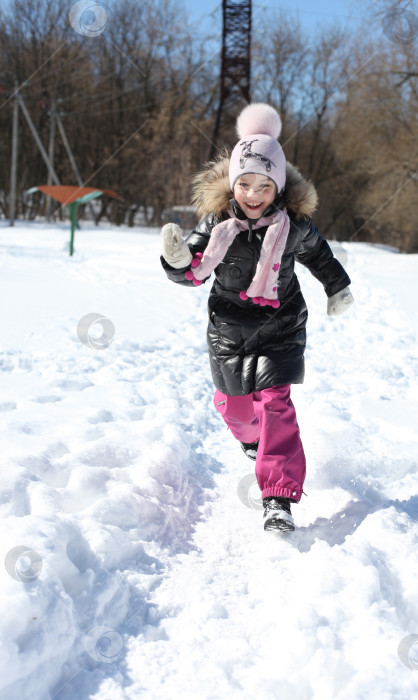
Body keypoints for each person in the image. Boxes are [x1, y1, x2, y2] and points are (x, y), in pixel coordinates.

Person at [160, 103, 353, 533]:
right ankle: (252, 442)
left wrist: (337, 287)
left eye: (263, 185)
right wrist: (176, 260)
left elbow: (320, 256)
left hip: (280, 325)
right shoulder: (217, 223)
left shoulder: (294, 225)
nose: (252, 194)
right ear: (232, 185)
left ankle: (278, 497)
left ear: (278, 187)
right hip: (229, 329)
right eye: (243, 184)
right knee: (234, 408)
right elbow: (192, 268)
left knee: (276, 405)